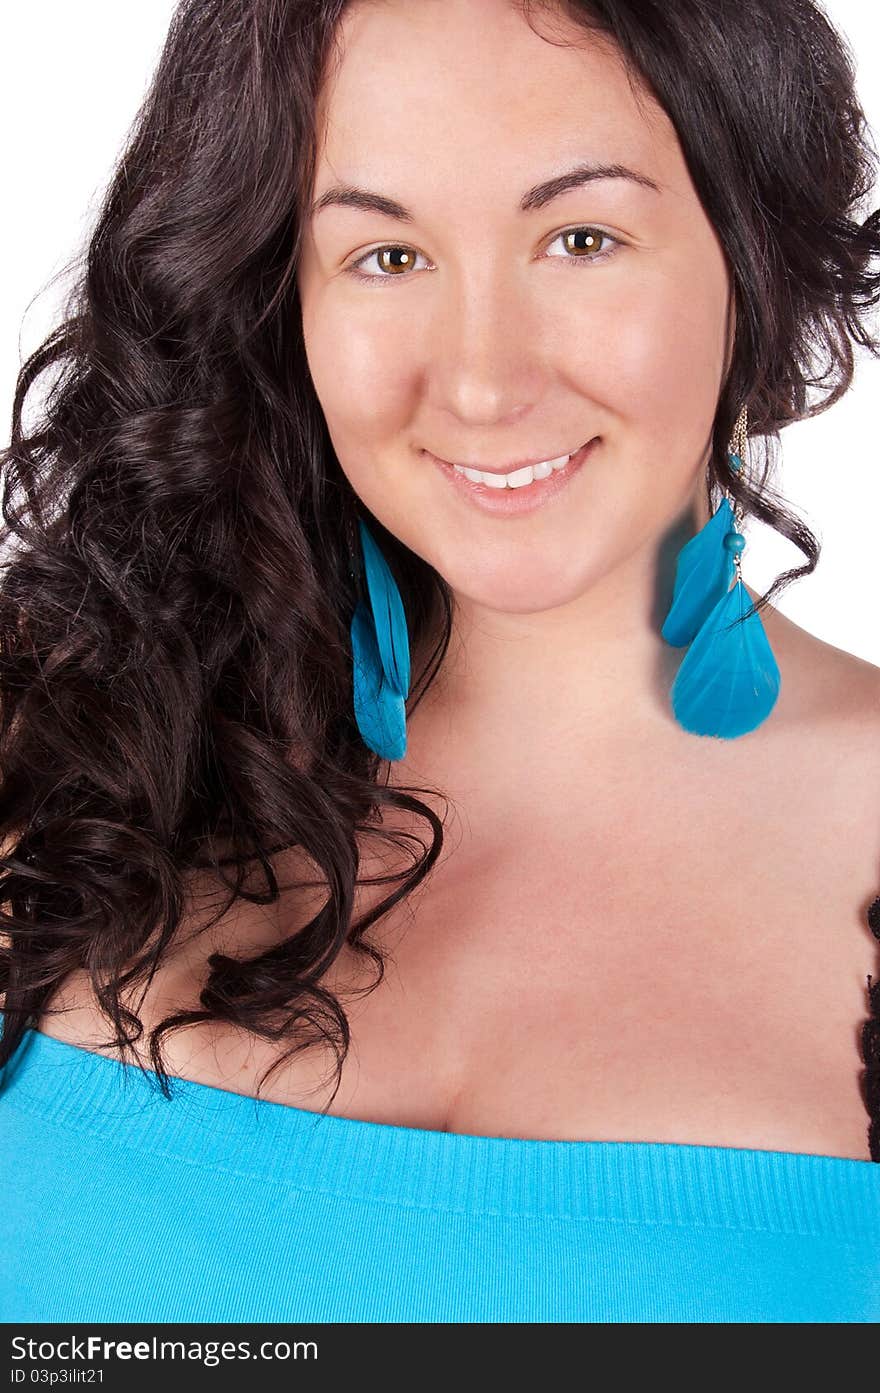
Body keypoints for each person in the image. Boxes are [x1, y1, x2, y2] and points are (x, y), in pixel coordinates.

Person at [1, 0, 880, 1324]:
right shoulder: (68, 740)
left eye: (581, 239)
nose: (480, 380)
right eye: (384, 254)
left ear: (753, 262)